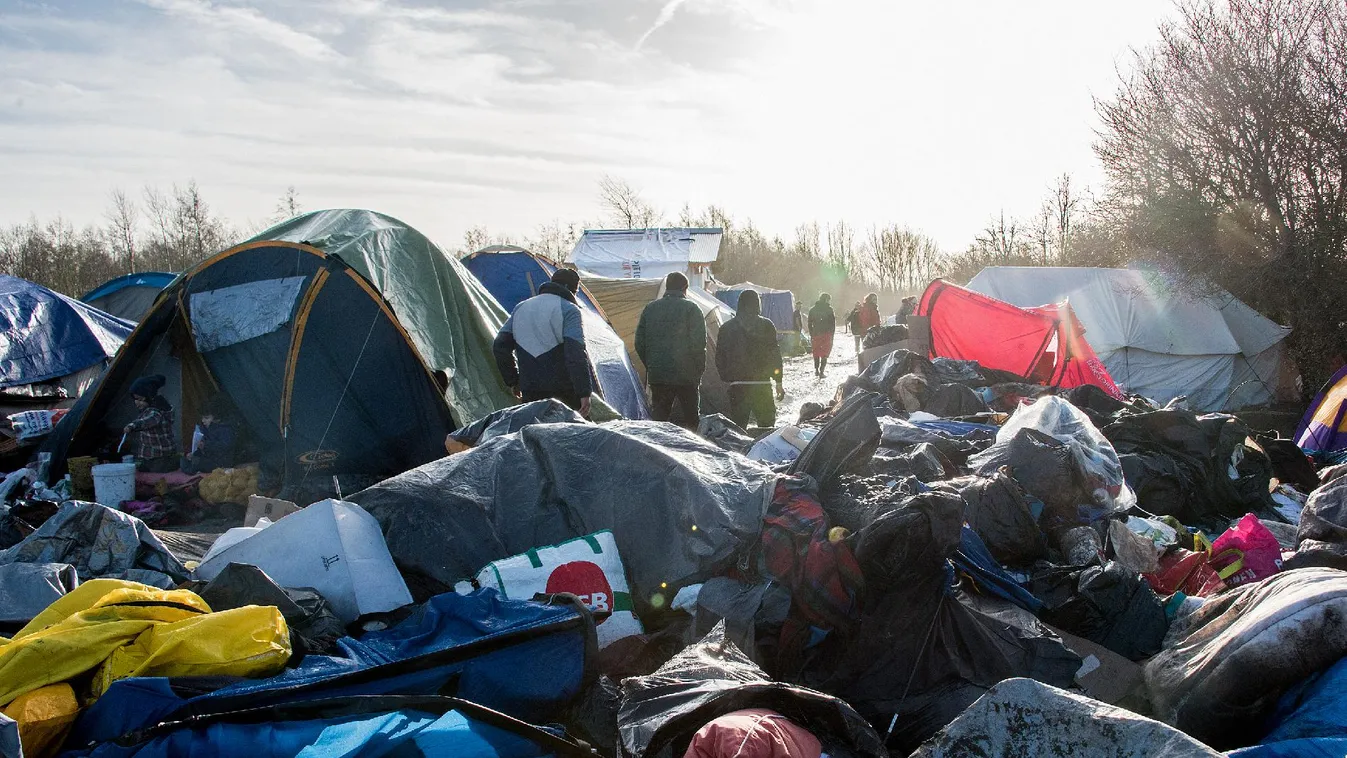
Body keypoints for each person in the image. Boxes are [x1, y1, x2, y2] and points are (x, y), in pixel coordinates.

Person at [493, 268, 593, 417]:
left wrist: (513, 380)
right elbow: (575, 354)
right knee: (570, 436)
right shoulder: (569, 309)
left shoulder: (521, 307)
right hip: (563, 391)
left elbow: (500, 346)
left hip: (530, 388)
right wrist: (584, 392)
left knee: (534, 435)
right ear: (571, 289)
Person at [635, 272, 707, 430]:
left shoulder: (650, 308)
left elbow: (639, 342)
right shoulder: (692, 309)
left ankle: (658, 451)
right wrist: (698, 371)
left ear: (667, 287)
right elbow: (699, 344)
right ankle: (693, 451)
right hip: (687, 375)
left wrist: (651, 364)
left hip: (659, 375)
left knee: (660, 420)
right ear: (685, 288)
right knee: (691, 420)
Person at [716, 290, 784, 429]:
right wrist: (778, 381)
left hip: (737, 385)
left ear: (739, 304)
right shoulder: (767, 325)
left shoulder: (726, 328)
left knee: (738, 429)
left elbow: (720, 357)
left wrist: (727, 377)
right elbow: (775, 355)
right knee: (766, 428)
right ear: (757, 304)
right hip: (762, 385)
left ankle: (740, 451)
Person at [123, 375, 177, 473]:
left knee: (155, 470)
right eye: (135, 399)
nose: (137, 403)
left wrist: (132, 426)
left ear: (149, 397)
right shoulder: (147, 409)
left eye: (140, 399)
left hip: (161, 457)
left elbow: (147, 421)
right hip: (150, 456)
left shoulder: (155, 411)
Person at [181, 396, 238, 474]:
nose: (203, 421)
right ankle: (194, 468)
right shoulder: (206, 428)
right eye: (202, 418)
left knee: (198, 463)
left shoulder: (225, 429)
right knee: (186, 459)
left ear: (216, 418)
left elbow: (225, 446)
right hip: (208, 457)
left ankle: (195, 470)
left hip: (221, 462)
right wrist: (194, 453)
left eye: (206, 418)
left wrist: (206, 445)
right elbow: (202, 446)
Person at [807, 292, 836, 379]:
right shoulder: (829, 309)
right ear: (826, 299)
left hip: (816, 333)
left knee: (816, 352)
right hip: (826, 334)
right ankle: (822, 371)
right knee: (825, 353)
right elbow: (833, 323)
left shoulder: (812, 309)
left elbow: (809, 323)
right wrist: (832, 334)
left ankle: (816, 370)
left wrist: (812, 333)